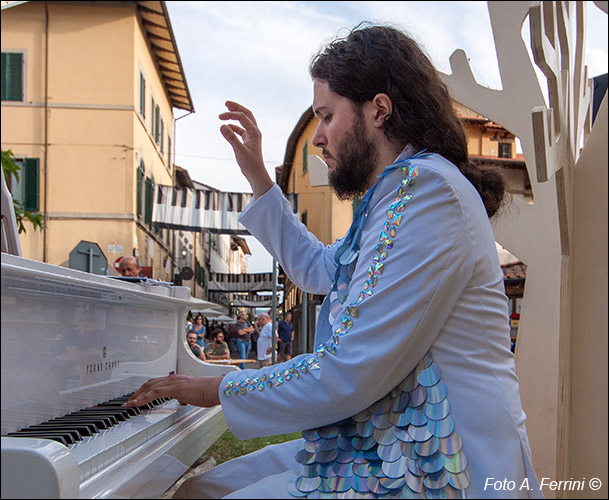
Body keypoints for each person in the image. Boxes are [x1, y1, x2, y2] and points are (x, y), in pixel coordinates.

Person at [125, 23, 541, 499]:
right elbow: (321, 269)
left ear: (378, 110)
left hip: (447, 464)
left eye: (326, 116)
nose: (319, 137)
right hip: (388, 444)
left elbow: (347, 371)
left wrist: (213, 389)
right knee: (199, 490)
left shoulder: (427, 192)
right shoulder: (396, 194)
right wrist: (261, 180)